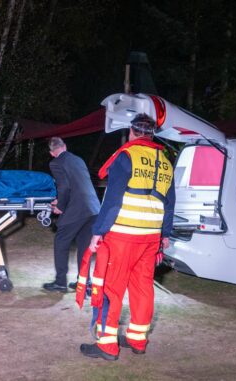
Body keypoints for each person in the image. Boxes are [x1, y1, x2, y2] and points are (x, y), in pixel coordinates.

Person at [79, 114, 175, 360]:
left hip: (123, 235)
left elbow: (112, 200)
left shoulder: (127, 155)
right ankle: (137, 339)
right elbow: (169, 203)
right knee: (143, 289)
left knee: (111, 287)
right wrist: (164, 235)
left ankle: (107, 345)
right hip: (150, 238)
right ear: (152, 134)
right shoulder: (165, 161)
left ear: (132, 132)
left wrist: (98, 232)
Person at [42, 137, 100, 293]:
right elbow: (76, 184)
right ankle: (84, 283)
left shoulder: (55, 163)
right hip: (93, 208)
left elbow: (64, 186)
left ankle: (60, 283)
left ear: (52, 152)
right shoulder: (78, 160)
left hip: (78, 209)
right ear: (65, 147)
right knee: (84, 246)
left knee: (61, 241)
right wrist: (60, 200)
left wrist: (60, 206)